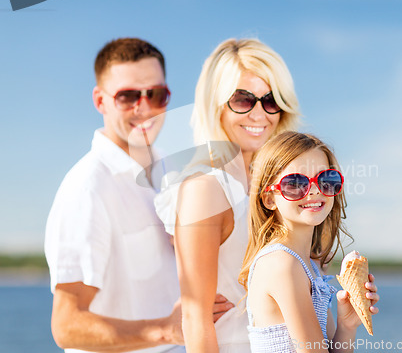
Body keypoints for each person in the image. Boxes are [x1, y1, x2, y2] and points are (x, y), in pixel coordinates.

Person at [45, 38, 232, 353]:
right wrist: (164, 331)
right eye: (127, 96)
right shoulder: (88, 187)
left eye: (156, 95)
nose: (143, 108)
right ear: (100, 101)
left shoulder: (173, 171)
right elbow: (66, 326)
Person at [154, 38, 301, 352]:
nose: (259, 114)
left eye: (271, 100)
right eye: (243, 99)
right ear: (216, 103)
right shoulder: (206, 188)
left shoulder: (285, 185)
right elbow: (196, 319)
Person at [239, 131, 380, 353]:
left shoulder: (308, 266)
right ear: (269, 198)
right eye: (295, 182)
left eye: (326, 180)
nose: (314, 190)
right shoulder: (282, 264)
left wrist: (347, 324)